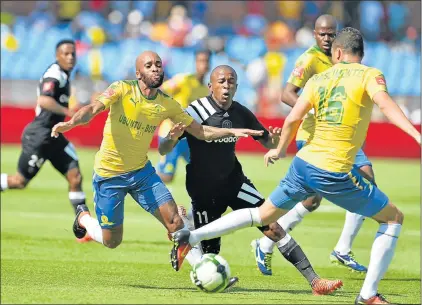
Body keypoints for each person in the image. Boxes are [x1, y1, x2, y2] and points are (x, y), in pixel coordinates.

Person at [171, 28, 421, 304]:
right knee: (392, 218)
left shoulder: (319, 79)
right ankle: (368, 294)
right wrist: (417, 135)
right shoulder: (369, 74)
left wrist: (279, 149)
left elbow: (292, 119)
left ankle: (190, 236)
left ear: (337, 53)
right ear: (361, 53)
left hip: (303, 164)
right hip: (333, 169)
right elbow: (385, 105)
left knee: (262, 214)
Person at [50, 51, 262, 258]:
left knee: (176, 223)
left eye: (158, 65)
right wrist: (71, 123)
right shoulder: (121, 89)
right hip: (109, 174)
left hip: (142, 174)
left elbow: (201, 131)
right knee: (111, 241)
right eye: (149, 65)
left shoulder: (167, 104)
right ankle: (84, 218)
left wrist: (233, 131)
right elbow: (93, 108)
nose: (155, 69)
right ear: (138, 73)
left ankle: (203, 270)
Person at [160, 65, 343, 295]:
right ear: (210, 86)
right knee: (210, 253)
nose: (226, 86)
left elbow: (265, 140)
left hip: (235, 184)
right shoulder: (194, 111)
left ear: (236, 87)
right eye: (221, 81)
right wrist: (170, 138)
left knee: (273, 227)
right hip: (203, 191)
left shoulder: (241, 112)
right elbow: (163, 149)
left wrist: (274, 141)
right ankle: (187, 230)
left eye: (231, 82)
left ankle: (315, 281)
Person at [252, 14, 370, 275]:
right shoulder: (309, 59)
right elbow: (286, 93)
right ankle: (265, 241)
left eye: (331, 34)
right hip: (314, 134)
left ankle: (342, 249)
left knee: (363, 179)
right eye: (322, 34)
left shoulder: (341, 56)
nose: (327, 38)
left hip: (340, 133)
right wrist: (314, 109)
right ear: (315, 34)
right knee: (312, 197)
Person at [0, 40, 91, 243]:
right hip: (40, 136)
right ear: (57, 56)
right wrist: (69, 113)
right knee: (19, 181)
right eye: (65, 54)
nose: (70, 57)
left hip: (55, 136)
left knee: (75, 177)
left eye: (73, 54)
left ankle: (84, 228)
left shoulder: (66, 75)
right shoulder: (54, 74)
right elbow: (44, 101)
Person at [156, 49, 211, 183]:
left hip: (189, 138)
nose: (203, 65)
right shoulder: (183, 80)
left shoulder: (205, 89)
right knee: (167, 177)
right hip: (172, 134)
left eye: (206, 61)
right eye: (200, 61)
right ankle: (142, 182)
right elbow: (161, 90)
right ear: (195, 63)